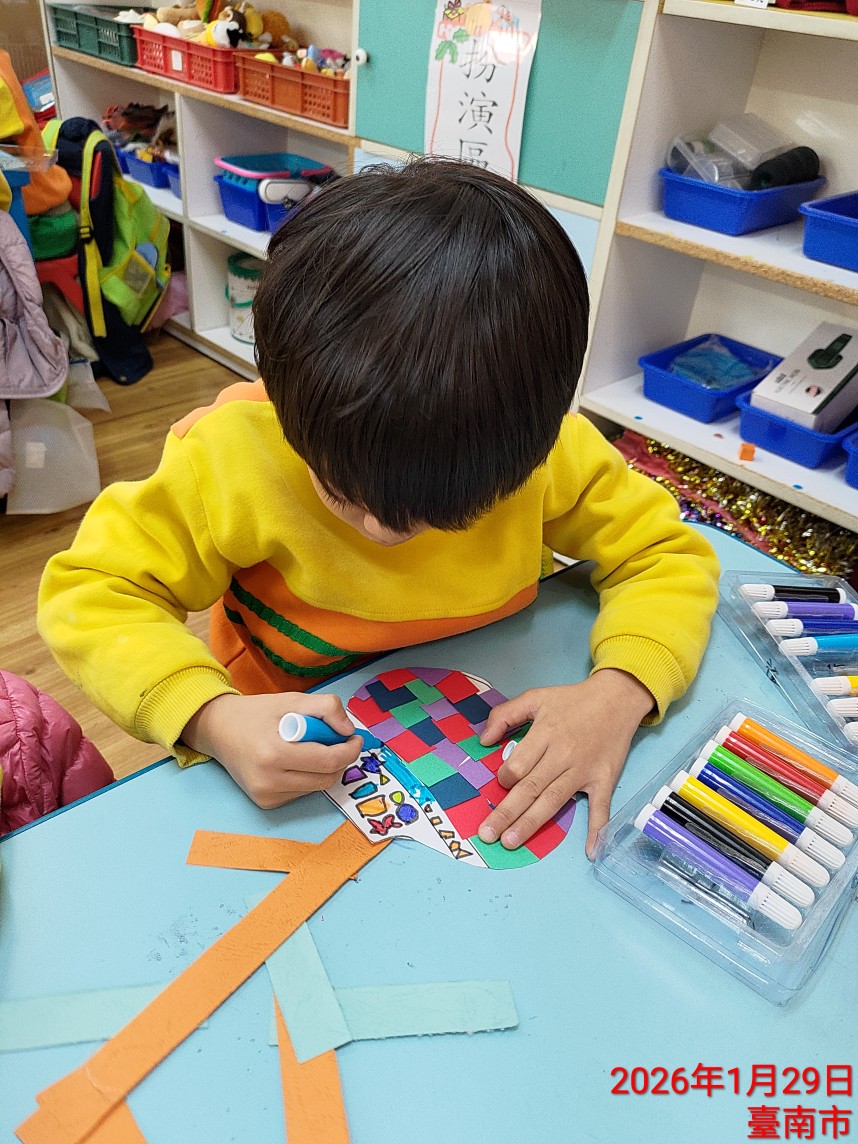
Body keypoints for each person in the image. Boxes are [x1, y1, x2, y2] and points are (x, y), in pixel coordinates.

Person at [38, 158, 719, 857]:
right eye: (340, 490)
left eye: (439, 512)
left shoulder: (547, 451)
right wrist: (210, 717)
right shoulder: (230, 454)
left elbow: (665, 553)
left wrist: (621, 689)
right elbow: (93, 592)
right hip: (288, 757)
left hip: (478, 724)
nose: (381, 529)